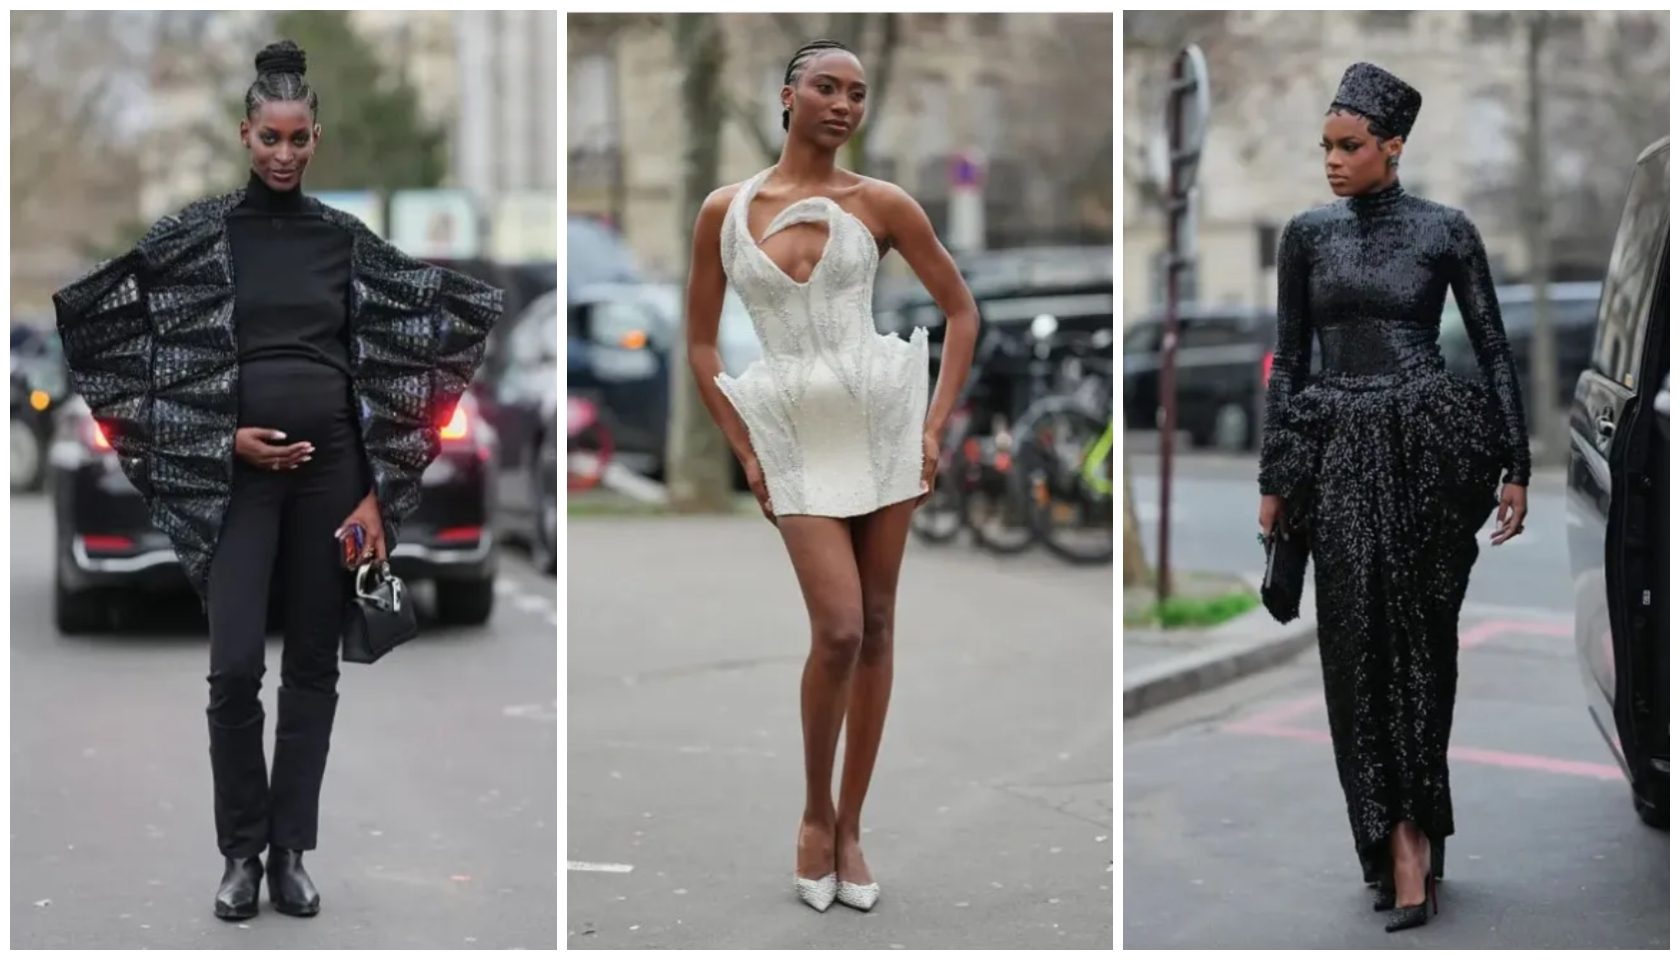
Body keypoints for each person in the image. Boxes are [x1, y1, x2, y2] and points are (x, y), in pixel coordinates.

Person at [51, 41, 502, 921]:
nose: (284, 154)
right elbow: (110, 332)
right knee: (229, 674)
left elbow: (431, 334)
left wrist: (379, 491)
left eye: (299, 139)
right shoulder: (198, 236)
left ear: (316, 137)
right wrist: (221, 437)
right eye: (269, 137)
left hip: (334, 478)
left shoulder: (345, 241)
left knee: (311, 669)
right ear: (244, 134)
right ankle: (239, 854)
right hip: (236, 486)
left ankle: (291, 850)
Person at [683, 38, 980, 913]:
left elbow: (961, 313)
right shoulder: (724, 211)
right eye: (826, 87)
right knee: (841, 628)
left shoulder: (882, 203)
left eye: (857, 92)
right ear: (787, 96)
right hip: (791, 435)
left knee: (881, 622)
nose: (844, 103)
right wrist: (742, 445)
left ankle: (851, 827)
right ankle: (813, 815)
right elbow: (700, 342)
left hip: (882, 422)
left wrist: (933, 427)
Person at [1257, 62, 1530, 933]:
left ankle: (1416, 843)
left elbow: (1491, 347)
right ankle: (1379, 839)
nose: (1333, 161)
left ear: (1392, 147)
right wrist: (1274, 478)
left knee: (1421, 652)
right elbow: (1289, 358)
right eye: (1326, 147)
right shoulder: (1304, 234)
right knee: (1352, 655)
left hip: (1427, 455)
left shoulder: (1446, 230)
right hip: (1335, 455)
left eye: (1349, 146)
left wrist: (1516, 462)